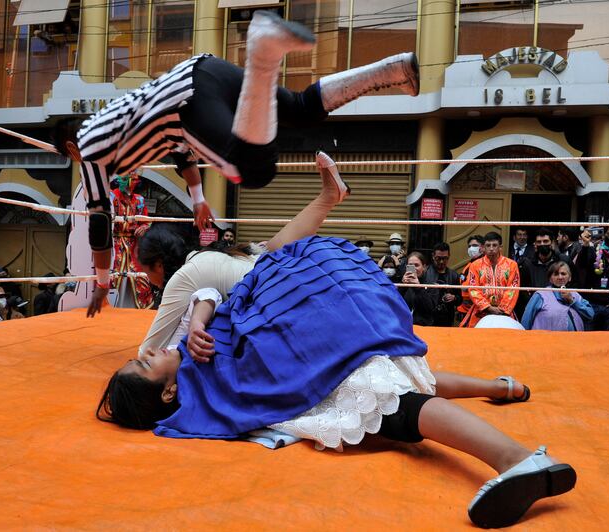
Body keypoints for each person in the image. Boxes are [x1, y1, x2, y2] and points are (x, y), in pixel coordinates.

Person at [97, 236, 575, 529]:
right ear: (165, 392)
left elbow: (210, 294)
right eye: (143, 365)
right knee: (394, 390)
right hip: (300, 356)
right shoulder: (195, 398)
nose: (147, 353)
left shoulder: (190, 342)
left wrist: (200, 319)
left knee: (394, 398)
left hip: (301, 334)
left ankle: (514, 449)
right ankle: (501, 396)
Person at [51, 10, 419, 317]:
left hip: (186, 101)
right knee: (301, 108)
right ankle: (393, 69)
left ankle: (263, 58)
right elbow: (180, 154)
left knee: (251, 170)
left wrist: (101, 284)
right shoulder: (128, 123)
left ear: (72, 146)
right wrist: (197, 198)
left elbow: (99, 223)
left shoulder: (92, 152)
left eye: (70, 156)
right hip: (205, 70)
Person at [138, 151, 350, 355]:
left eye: (146, 272)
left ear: (158, 264)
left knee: (270, 253)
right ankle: (328, 197)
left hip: (286, 300)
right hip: (297, 284)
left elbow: (148, 350)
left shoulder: (182, 278)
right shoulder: (208, 255)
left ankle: (329, 196)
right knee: (272, 249)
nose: (149, 280)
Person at [109, 172, 154, 309]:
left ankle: (140, 309)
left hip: (134, 244)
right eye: (132, 179)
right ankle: (110, 306)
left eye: (136, 180)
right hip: (115, 242)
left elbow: (146, 220)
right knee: (113, 274)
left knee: (141, 276)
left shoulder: (139, 200)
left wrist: (145, 226)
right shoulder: (112, 196)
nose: (135, 182)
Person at [461, 232, 520, 328]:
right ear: (483, 247)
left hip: (504, 312)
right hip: (480, 311)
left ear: (500, 247)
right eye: (488, 245)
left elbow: (513, 288)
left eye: (495, 245)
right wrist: (488, 308)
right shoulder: (475, 265)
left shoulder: (512, 265)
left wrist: (502, 309)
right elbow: (473, 289)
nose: (491, 248)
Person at [517, 228, 574, 318]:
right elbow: (522, 289)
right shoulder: (527, 263)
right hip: (534, 309)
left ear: (552, 243)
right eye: (539, 242)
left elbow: (573, 283)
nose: (542, 244)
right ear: (535, 244)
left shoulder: (563, 260)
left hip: (560, 309)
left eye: (545, 241)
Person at [521, 262, 594, 331]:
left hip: (573, 341)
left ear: (570, 278)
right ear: (550, 279)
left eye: (563, 274)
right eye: (556, 274)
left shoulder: (575, 295)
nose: (560, 277)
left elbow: (590, 314)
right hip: (545, 341)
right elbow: (527, 319)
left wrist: (572, 301)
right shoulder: (541, 295)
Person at [457, 234, 485, 321]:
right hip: (464, 309)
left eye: (475, 245)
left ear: (483, 248)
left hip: (477, 311)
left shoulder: (484, 266)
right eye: (469, 246)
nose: (471, 248)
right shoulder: (469, 265)